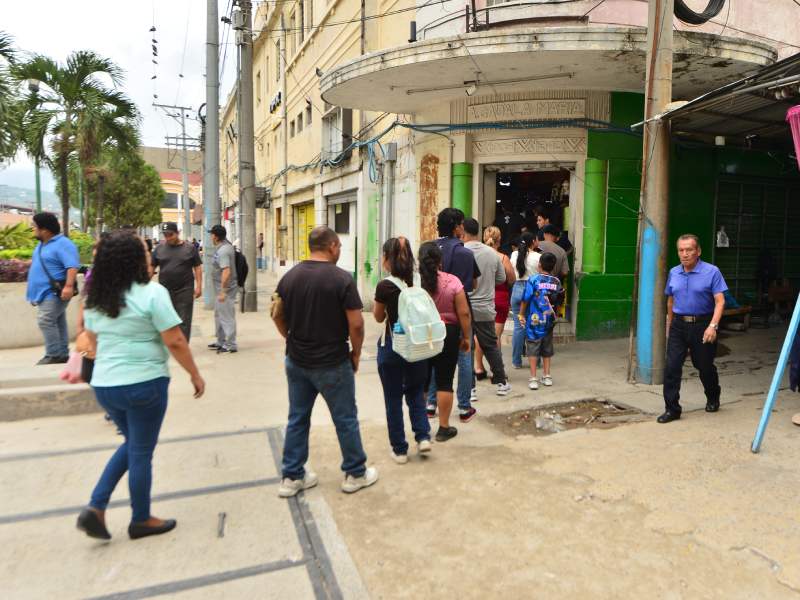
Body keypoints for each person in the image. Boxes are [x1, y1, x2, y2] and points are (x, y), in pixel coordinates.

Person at [76, 230, 205, 541]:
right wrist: (194, 374)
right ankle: (141, 518)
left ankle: (96, 507)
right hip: (144, 384)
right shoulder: (152, 293)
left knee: (133, 443)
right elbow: (174, 340)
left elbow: (89, 339)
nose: (150, 256)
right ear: (134, 259)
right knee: (141, 451)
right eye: (145, 252)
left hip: (106, 385)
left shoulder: (96, 299)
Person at [271, 226, 377, 496]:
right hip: (332, 362)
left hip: (297, 361)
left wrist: (291, 339)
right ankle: (355, 473)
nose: (340, 251)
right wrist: (355, 353)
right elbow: (357, 323)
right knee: (345, 419)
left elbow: (277, 315)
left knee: (297, 418)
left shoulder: (289, 278)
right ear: (331, 246)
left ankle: (292, 477)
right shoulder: (341, 279)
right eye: (339, 247)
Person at [373, 237, 432, 463]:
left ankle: (399, 449)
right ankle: (423, 436)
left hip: (392, 347)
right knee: (416, 392)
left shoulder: (385, 286)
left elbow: (379, 317)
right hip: (417, 345)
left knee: (393, 398)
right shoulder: (420, 282)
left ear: (388, 259)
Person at [659, 234, 728, 423]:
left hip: (703, 324)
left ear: (698, 251)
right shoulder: (674, 272)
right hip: (678, 325)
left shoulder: (712, 271)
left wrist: (712, 326)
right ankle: (672, 409)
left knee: (704, 366)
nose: (685, 254)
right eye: (681, 250)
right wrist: (669, 325)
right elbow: (670, 300)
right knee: (671, 367)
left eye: (689, 250)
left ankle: (713, 395)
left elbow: (720, 301)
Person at [426, 208, 480, 422]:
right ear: (458, 227)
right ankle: (465, 408)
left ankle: (430, 404)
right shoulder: (465, 253)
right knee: (464, 356)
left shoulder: (428, 249)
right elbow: (473, 284)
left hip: (430, 313)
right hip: (458, 312)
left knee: (432, 357)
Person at [419, 241, 472, 442]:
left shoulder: (415, 283)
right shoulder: (453, 281)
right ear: (440, 260)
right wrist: (466, 336)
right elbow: (464, 312)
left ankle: (422, 428)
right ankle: (443, 428)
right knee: (444, 381)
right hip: (448, 333)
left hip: (421, 333)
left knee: (422, 382)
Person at [462, 218, 512, 395]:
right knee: (491, 345)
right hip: (485, 308)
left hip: (464, 309)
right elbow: (502, 279)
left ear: (463, 231)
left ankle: (471, 390)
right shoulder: (492, 254)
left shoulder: (461, 251)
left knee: (467, 347)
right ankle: (501, 383)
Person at [26, 212, 80, 365]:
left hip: (54, 291)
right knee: (57, 321)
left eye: (34, 227)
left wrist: (69, 286)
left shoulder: (63, 243)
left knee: (46, 320)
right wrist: (23, 263)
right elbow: (42, 261)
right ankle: (62, 353)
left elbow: (72, 266)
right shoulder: (42, 244)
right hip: (43, 292)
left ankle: (53, 354)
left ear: (45, 229)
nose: (33, 229)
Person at [518, 253, 563, 390]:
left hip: (534, 321)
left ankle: (533, 378)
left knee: (532, 347)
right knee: (547, 347)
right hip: (549, 320)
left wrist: (521, 314)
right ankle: (547, 375)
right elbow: (560, 299)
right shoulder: (556, 282)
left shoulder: (533, 280)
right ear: (553, 267)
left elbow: (525, 299)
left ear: (539, 265)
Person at [151, 222, 202, 342]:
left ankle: (183, 344)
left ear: (177, 233)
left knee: (184, 319)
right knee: (166, 318)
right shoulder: (159, 249)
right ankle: (169, 343)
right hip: (164, 290)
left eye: (170, 234)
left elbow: (197, 267)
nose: (168, 237)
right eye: (165, 235)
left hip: (185, 289)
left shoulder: (189, 248)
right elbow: (151, 267)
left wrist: (199, 286)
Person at [475, 226, 515, 378]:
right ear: (500, 239)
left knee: (479, 335)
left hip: (482, 296)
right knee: (495, 337)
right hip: (499, 298)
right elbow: (511, 279)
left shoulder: (476, 256)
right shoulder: (503, 258)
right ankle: (497, 371)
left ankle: (478, 368)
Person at [509, 232, 540, 369]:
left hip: (516, 289)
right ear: (533, 241)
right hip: (532, 291)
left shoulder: (515, 255)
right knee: (534, 326)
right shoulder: (538, 257)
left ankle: (516, 362)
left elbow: (510, 271)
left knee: (518, 327)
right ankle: (536, 361)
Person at [208, 225, 238, 353]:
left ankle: (231, 344)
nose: (211, 236)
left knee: (226, 316)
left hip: (225, 289)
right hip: (220, 288)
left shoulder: (224, 250)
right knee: (219, 314)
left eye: (212, 234)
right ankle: (221, 341)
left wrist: (223, 291)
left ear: (215, 236)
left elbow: (226, 271)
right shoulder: (223, 247)